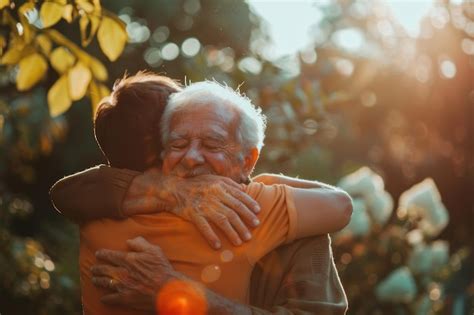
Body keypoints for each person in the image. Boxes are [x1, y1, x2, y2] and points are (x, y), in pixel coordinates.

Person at [51, 74, 351, 314]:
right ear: (161, 148)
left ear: (247, 159)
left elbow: (63, 192)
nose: (192, 158)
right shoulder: (258, 207)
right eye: (179, 142)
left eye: (211, 144)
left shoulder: (98, 212)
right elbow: (340, 205)